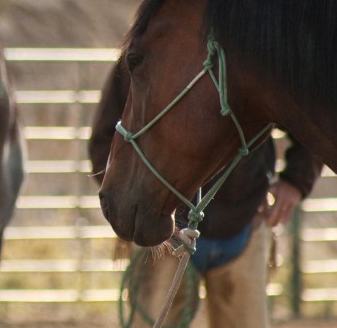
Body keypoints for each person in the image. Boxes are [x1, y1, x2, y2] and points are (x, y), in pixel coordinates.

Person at [89, 48, 323, 327]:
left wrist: (296, 180)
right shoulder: (148, 50)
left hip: (244, 220)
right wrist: (140, 204)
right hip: (162, 234)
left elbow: (310, 116)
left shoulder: (256, 50)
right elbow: (106, 140)